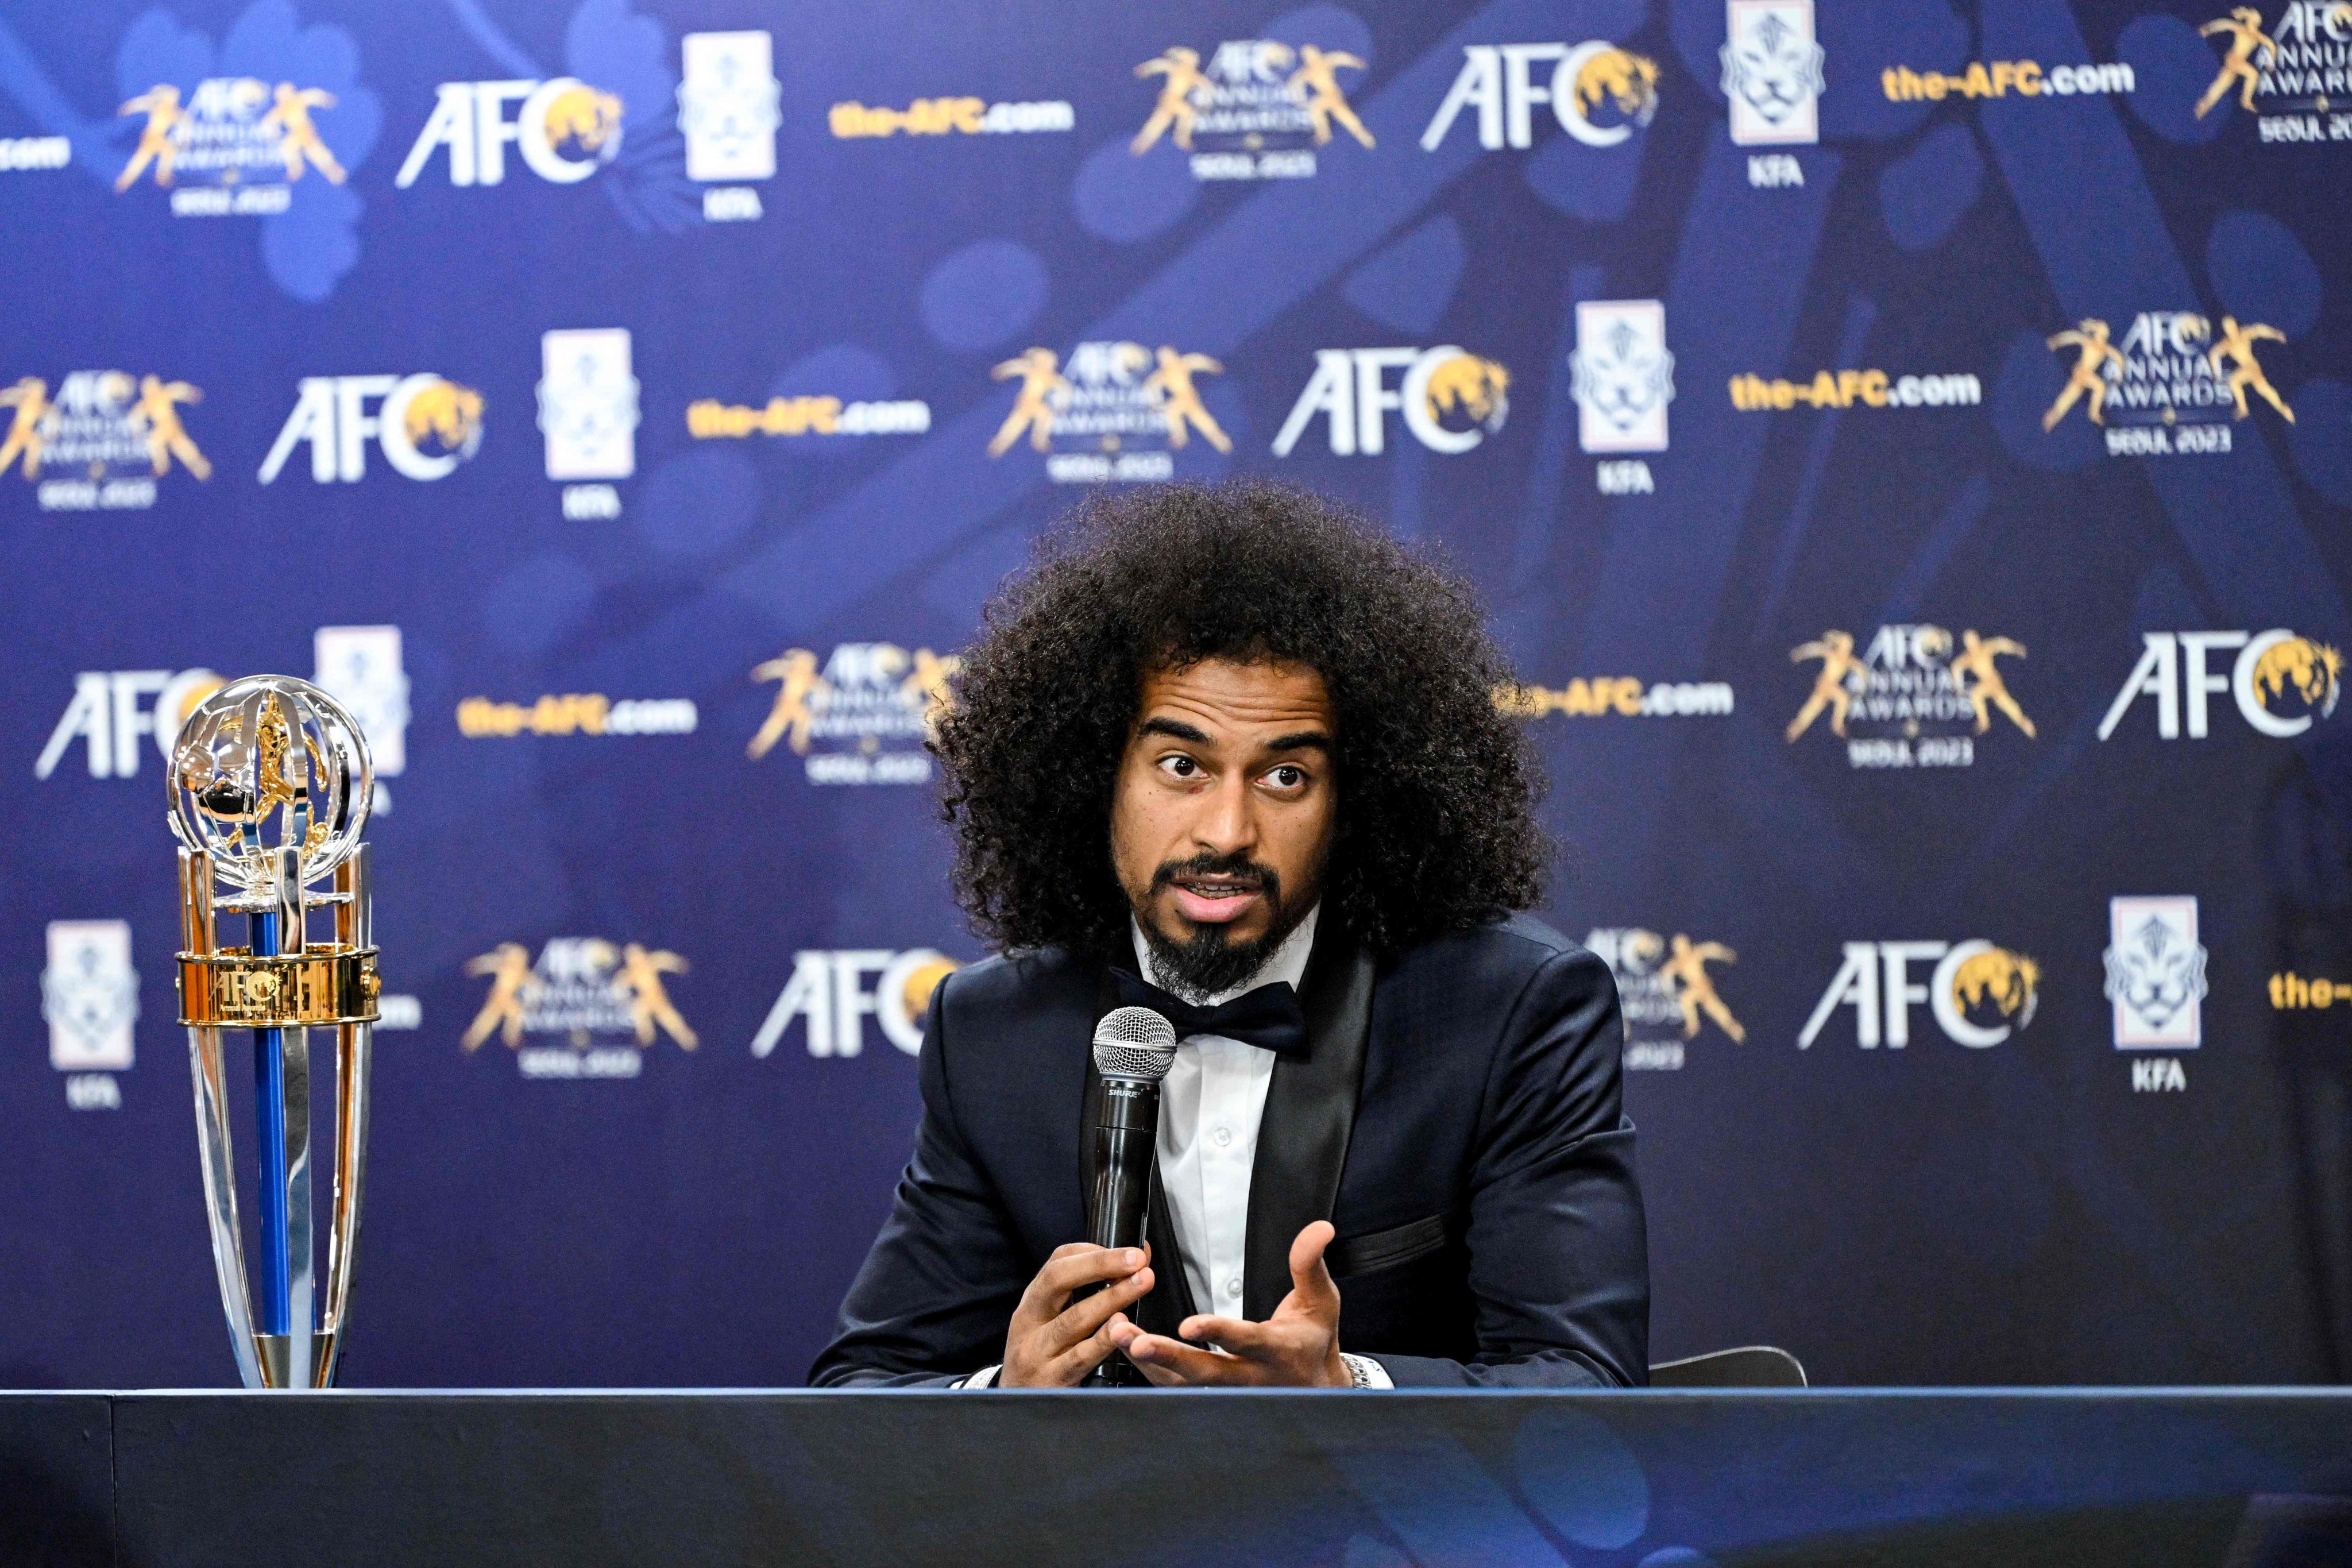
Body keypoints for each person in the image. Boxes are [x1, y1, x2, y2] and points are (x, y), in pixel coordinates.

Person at [810, 481, 1647, 1389]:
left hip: (1410, 1527)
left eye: (1285, 776)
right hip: (1122, 1529)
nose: (1226, 831)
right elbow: (866, 1390)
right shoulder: (993, 1035)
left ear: (1357, 795)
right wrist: (1005, 1396)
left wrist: (1350, 1392)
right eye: (1182, 766)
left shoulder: (1510, 1011)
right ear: (1095, 772)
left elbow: (1585, 1382)